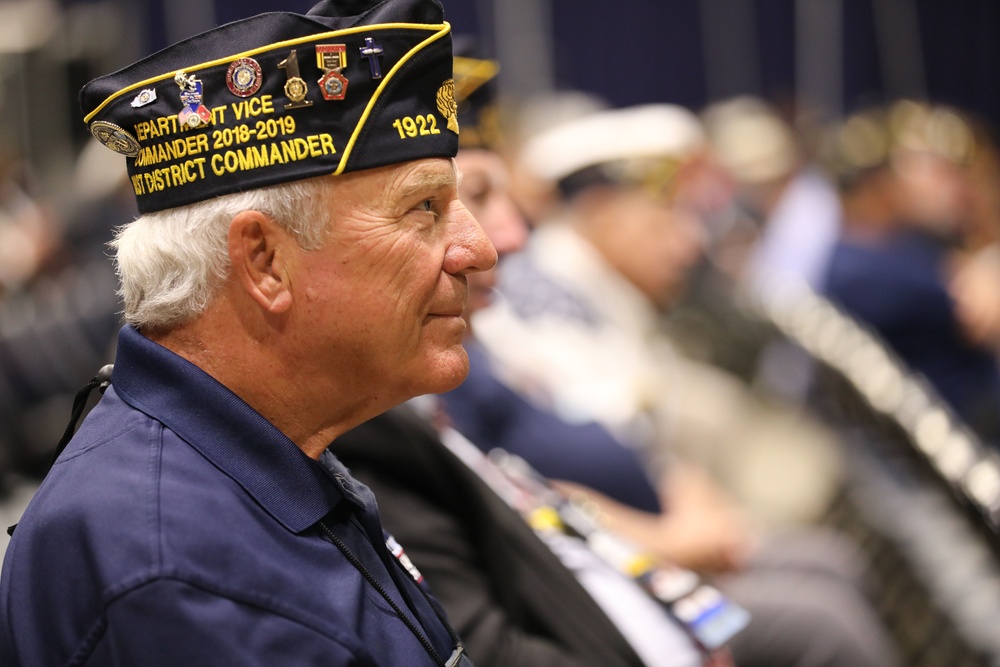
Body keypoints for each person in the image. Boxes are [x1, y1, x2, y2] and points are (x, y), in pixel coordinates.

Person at [0, 1, 494, 665]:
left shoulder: (244, 451)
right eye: (424, 209)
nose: (481, 249)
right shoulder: (180, 572)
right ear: (264, 261)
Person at [335, 52, 740, 667]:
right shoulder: (373, 410)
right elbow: (489, 632)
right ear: (267, 262)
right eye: (432, 207)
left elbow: (533, 491)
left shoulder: (449, 359)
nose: (503, 240)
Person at [467, 103, 901, 667]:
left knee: (828, 568)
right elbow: (524, 489)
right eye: (661, 220)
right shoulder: (535, 302)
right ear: (601, 212)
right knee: (820, 617)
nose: (688, 242)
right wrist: (678, 539)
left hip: (638, 544)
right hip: (616, 563)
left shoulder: (545, 298)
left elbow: (631, 445)